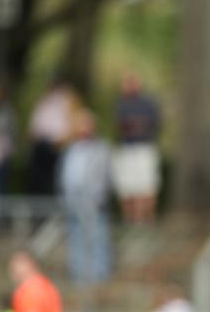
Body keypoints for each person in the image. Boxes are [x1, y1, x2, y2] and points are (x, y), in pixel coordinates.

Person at [58, 110, 112, 283]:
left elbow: (104, 177)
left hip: (94, 201)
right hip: (73, 201)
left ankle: (100, 275)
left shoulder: (101, 149)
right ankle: (78, 275)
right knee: (76, 238)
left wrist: (97, 198)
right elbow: (66, 176)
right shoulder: (71, 150)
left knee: (97, 238)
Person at [112, 73, 161, 223]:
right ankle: (130, 219)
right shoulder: (121, 104)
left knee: (146, 186)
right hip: (127, 149)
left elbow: (152, 124)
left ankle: (145, 219)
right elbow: (121, 126)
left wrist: (135, 125)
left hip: (144, 148)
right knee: (128, 188)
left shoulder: (148, 103)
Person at [28, 77, 78, 196]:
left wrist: (61, 142)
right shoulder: (44, 102)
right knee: (39, 183)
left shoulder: (68, 101)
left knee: (55, 183)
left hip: (58, 148)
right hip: (41, 147)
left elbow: (71, 126)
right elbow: (34, 127)